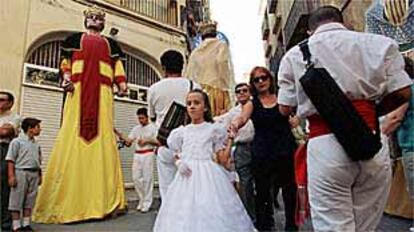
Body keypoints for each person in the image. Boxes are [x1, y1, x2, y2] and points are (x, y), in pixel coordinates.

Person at [277, 6, 413, 231]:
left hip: (325, 144)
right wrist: (368, 112)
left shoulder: (294, 55)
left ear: (311, 31)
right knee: (365, 224)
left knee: (333, 223)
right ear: (344, 23)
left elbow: (284, 108)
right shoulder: (379, 44)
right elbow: (403, 92)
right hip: (370, 138)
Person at [33, 5, 127, 223]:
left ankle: (104, 201)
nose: (95, 20)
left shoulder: (111, 44)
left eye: (99, 18)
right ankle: (72, 201)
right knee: (72, 135)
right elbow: (66, 64)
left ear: (103, 23)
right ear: (85, 20)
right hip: (77, 91)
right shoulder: (73, 40)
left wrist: (121, 84)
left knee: (102, 138)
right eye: (91, 17)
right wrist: (65, 78)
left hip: (103, 94)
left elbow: (118, 67)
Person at [153, 89, 255, 232]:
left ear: (205, 107)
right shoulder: (181, 132)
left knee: (209, 210)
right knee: (184, 212)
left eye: (196, 103)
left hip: (209, 175)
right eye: (189, 103)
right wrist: (178, 162)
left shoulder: (214, 129)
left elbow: (223, 160)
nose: (192, 106)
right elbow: (176, 153)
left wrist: (231, 138)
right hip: (186, 176)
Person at [230, 67, 298, 231]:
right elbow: (242, 118)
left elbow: (294, 115)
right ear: (253, 84)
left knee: (290, 190)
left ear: (270, 79)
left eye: (264, 78)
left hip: (285, 150)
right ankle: (266, 226)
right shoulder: (252, 104)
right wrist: (235, 125)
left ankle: (291, 225)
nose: (261, 82)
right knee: (262, 192)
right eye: (256, 80)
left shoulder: (282, 99)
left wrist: (295, 119)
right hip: (262, 152)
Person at [148, 50, 200, 199]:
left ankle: (170, 220)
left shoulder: (153, 89)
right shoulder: (193, 86)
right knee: (190, 188)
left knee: (168, 189)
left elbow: (152, 118)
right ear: (182, 66)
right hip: (188, 144)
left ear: (163, 67)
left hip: (164, 144)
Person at [214, 83, 256, 222]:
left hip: (258, 146)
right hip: (242, 148)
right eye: (238, 91)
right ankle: (249, 217)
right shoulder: (233, 112)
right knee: (245, 182)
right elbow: (219, 121)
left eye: (245, 90)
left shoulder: (257, 106)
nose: (242, 93)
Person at [185, 20, 236, 116]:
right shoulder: (221, 45)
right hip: (218, 89)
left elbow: (190, 74)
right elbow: (222, 62)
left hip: (201, 92)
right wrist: (226, 85)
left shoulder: (196, 51)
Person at [117, 108, 158, 213]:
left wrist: (147, 140)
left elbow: (159, 142)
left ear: (147, 117)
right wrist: (119, 134)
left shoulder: (153, 128)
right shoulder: (136, 129)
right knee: (136, 178)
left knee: (147, 179)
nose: (140, 120)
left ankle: (147, 202)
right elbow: (129, 142)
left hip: (148, 153)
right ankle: (142, 199)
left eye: (142, 118)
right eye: (139, 118)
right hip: (137, 155)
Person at [6, 117, 42, 232]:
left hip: (34, 173)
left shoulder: (36, 144)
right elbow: (11, 160)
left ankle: (26, 224)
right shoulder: (17, 142)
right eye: (37, 127)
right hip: (21, 172)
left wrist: (40, 174)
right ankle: (16, 226)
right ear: (30, 129)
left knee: (30, 199)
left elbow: (38, 160)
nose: (40, 130)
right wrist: (11, 176)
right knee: (17, 199)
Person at [0, 90, 21, 230]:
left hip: (4, 150)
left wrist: (4, 130)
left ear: (10, 103)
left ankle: (5, 223)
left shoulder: (15, 118)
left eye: (2, 100)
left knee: (3, 186)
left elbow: (5, 132)